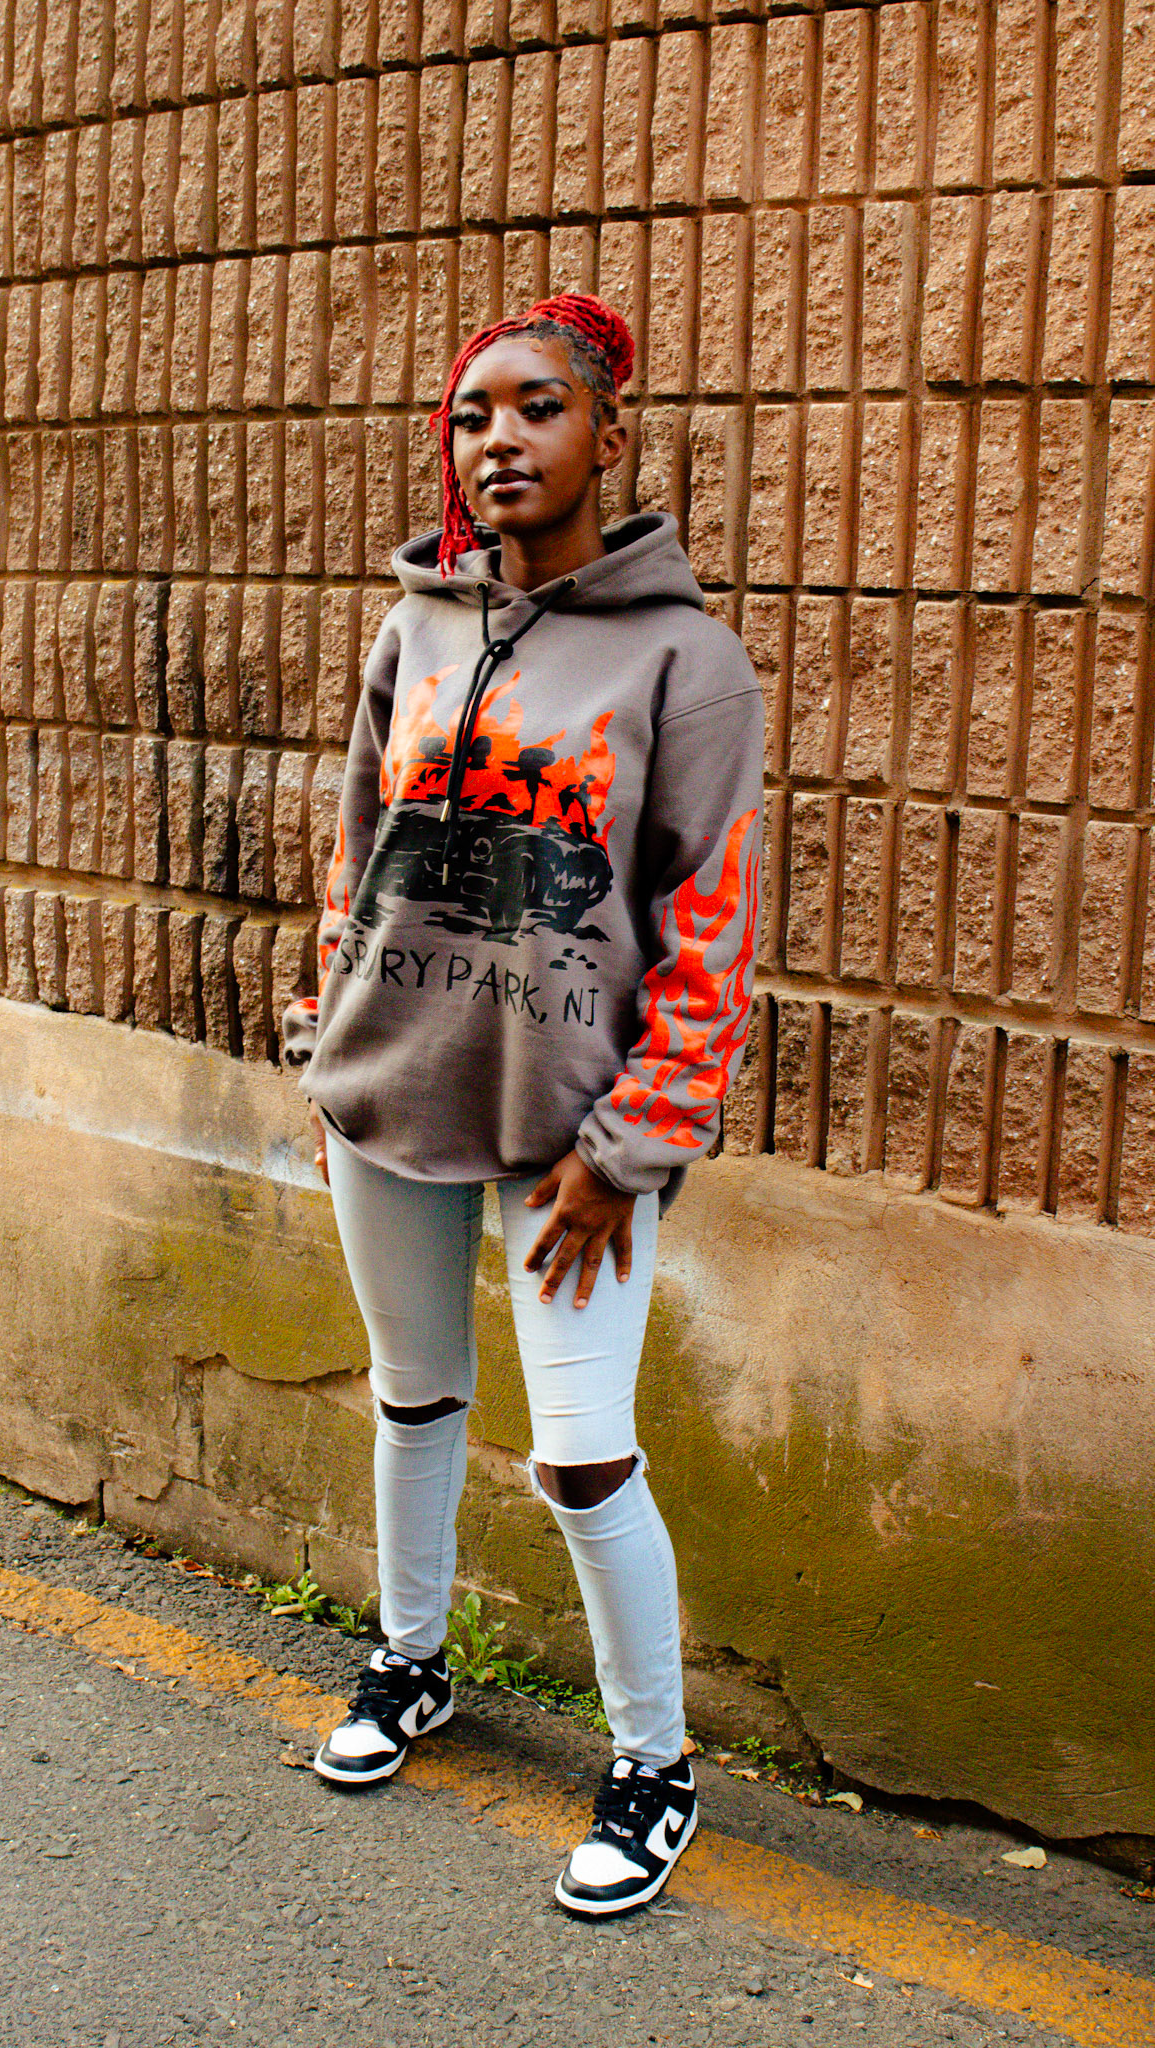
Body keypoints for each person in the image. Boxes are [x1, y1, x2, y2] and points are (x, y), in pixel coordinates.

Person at [281, 291, 763, 1918]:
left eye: (536, 407)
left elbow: (710, 926)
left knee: (580, 1461)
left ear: (607, 436)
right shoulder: (413, 629)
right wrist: (323, 1038)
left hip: (572, 1138)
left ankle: (653, 1763)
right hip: (385, 1093)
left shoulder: (686, 663)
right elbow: (354, 849)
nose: (499, 438)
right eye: (471, 413)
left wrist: (634, 1146)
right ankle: (409, 1661)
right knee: (414, 1397)